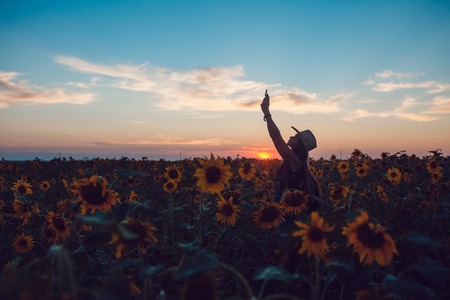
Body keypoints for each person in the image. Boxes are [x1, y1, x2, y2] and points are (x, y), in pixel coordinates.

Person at [260, 90, 321, 211]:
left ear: (299, 146)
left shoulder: (295, 160)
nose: (291, 137)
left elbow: (276, 137)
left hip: (289, 214)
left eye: (296, 137)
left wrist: (267, 113)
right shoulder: (296, 161)